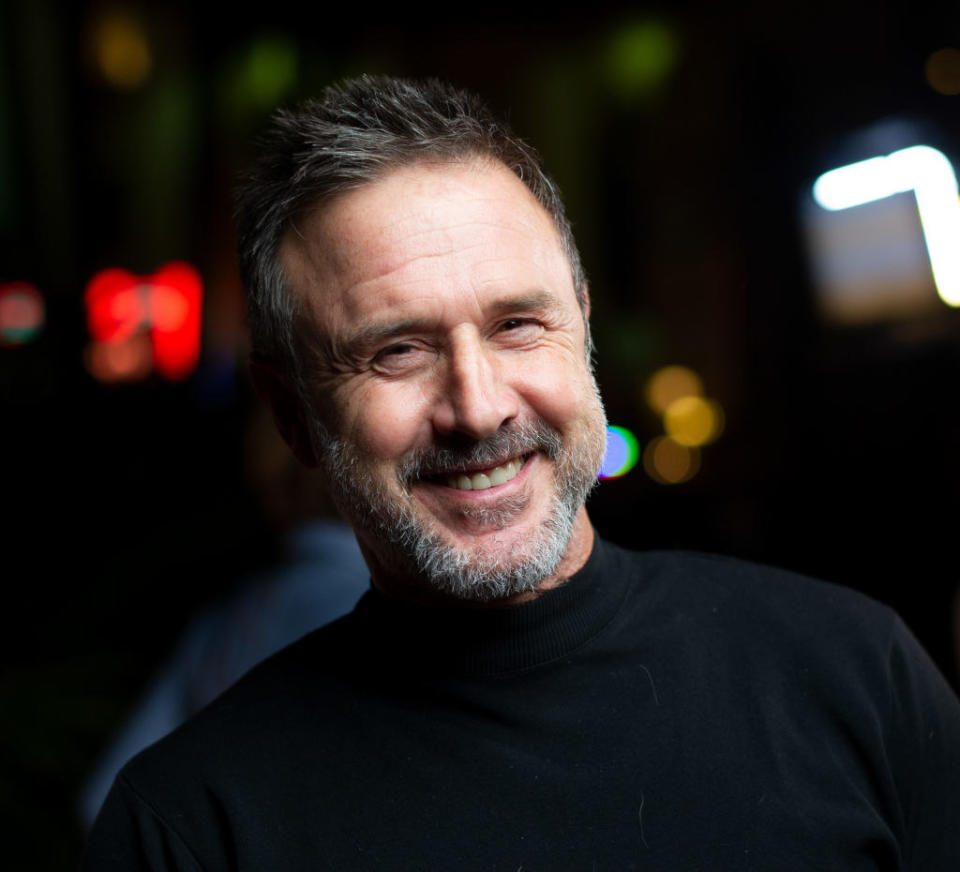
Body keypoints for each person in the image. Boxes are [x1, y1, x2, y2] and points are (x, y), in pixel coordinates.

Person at [83, 75, 960, 870]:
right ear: (292, 417)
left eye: (516, 325)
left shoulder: (855, 674)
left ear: (580, 326)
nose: (479, 407)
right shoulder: (191, 828)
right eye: (398, 350)